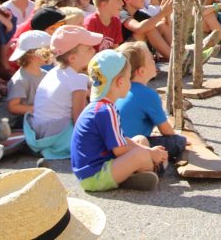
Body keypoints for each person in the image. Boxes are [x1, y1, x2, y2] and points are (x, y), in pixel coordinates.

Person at [71, 48, 170, 192]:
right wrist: (150, 153)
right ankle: (153, 168)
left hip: (95, 171)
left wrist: (146, 149)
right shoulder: (106, 110)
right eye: (129, 78)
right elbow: (120, 150)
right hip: (94, 176)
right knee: (141, 154)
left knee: (140, 139)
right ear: (121, 82)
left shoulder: (102, 106)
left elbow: (120, 139)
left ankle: (131, 175)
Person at [27, 25, 103, 161]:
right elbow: (78, 118)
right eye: (88, 48)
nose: (94, 50)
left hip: (40, 130)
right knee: (99, 139)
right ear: (72, 58)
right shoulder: (77, 80)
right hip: (57, 135)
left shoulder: (55, 72)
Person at [116, 42, 189, 157]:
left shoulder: (120, 90)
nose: (154, 61)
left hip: (116, 146)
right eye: (151, 59)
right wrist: (179, 138)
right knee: (177, 142)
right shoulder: (148, 95)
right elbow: (166, 130)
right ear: (142, 71)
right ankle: (156, 164)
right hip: (134, 146)